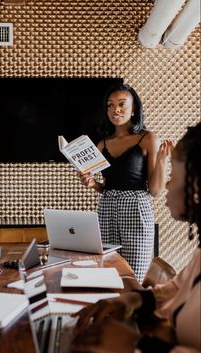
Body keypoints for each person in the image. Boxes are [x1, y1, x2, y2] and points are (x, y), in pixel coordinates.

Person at [71, 122, 201, 353]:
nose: (168, 183)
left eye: (174, 174)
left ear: (197, 186)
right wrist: (133, 300)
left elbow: (154, 188)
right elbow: (175, 289)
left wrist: (136, 344)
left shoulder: (147, 139)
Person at [78, 80, 173, 283]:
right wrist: (92, 184)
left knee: (133, 277)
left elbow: (155, 191)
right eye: (110, 105)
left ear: (134, 109)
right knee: (107, 274)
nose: (116, 110)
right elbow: (107, 186)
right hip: (107, 209)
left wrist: (163, 162)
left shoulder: (148, 138)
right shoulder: (102, 143)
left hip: (136, 209)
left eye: (122, 104)